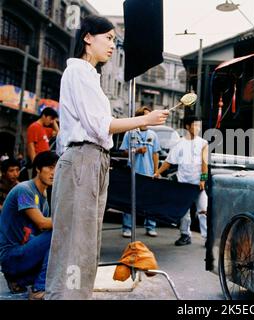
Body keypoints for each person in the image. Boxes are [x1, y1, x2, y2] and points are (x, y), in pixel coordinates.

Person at [45, 15, 169, 300]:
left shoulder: (88, 75)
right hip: (82, 159)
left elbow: (102, 125)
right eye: (109, 38)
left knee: (85, 242)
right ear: (88, 37)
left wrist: (143, 121)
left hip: (93, 159)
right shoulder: (78, 73)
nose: (113, 45)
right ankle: (66, 297)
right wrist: (143, 120)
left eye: (115, 40)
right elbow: (100, 126)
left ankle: (74, 296)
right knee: (76, 243)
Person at [0, 151, 58, 300]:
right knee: (57, 234)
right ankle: (39, 289)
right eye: (50, 167)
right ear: (38, 169)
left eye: (57, 168)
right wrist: (71, 220)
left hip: (24, 255)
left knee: (58, 251)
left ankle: (18, 280)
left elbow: (41, 237)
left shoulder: (43, 198)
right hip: (11, 256)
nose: (54, 172)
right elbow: (42, 223)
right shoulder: (24, 190)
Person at [155, 115, 208, 246]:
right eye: (195, 125)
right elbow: (169, 161)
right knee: (184, 212)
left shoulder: (203, 143)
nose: (198, 128)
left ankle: (208, 238)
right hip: (183, 183)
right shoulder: (179, 143)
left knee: (203, 210)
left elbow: (205, 164)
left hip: (198, 184)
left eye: (199, 126)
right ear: (187, 127)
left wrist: (203, 180)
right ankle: (185, 235)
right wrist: (157, 172)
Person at [119, 106, 161, 238]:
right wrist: (136, 151)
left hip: (148, 173)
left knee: (150, 201)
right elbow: (124, 151)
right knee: (130, 201)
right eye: (145, 115)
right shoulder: (130, 133)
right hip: (133, 173)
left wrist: (156, 171)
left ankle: (150, 226)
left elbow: (155, 154)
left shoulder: (153, 135)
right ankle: (127, 227)